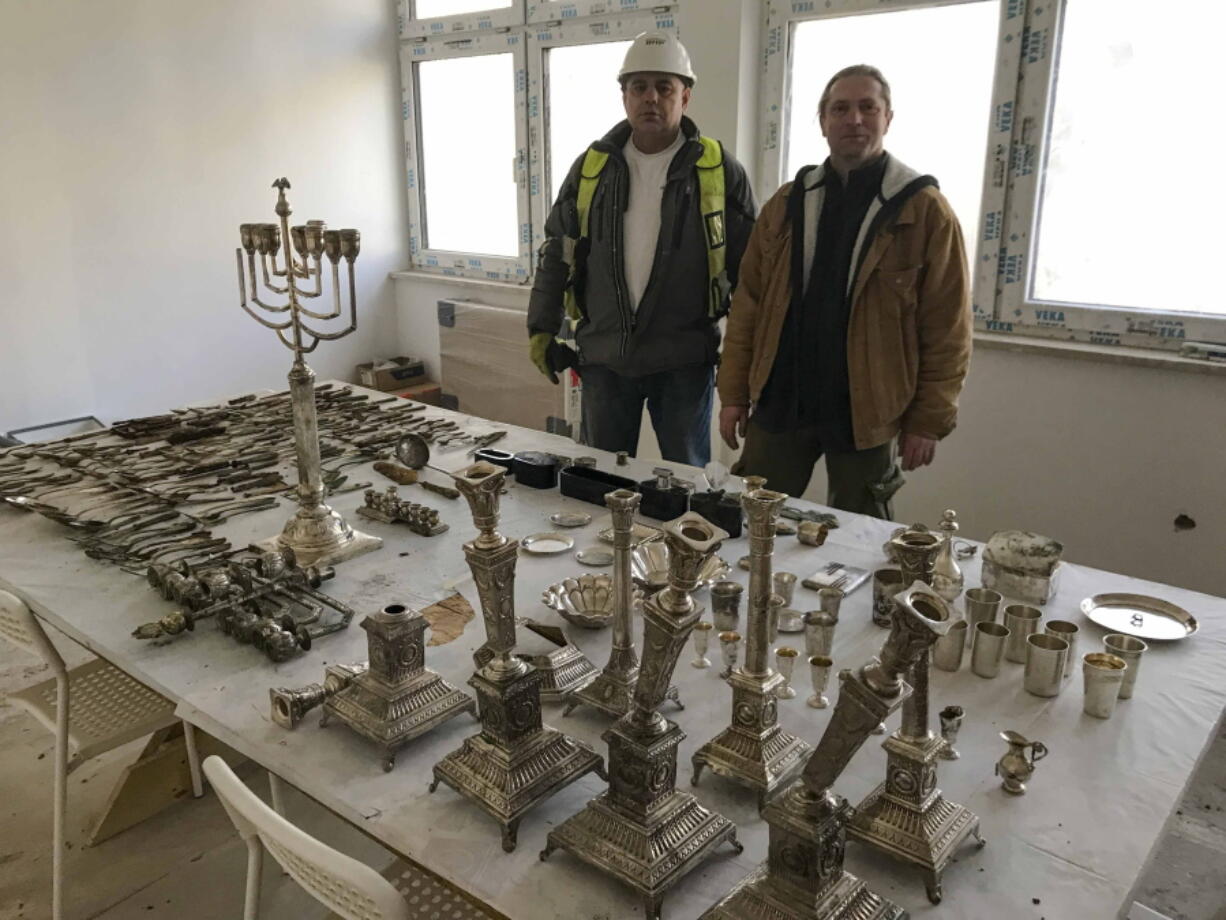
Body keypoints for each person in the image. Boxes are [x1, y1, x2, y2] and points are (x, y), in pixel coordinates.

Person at [717, 64, 971, 518]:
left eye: (866, 107)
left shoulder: (924, 211)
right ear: (823, 122)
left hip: (866, 410)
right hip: (782, 396)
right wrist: (733, 392)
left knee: (863, 537)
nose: (854, 119)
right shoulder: (787, 203)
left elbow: (947, 326)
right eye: (840, 109)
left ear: (887, 118)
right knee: (749, 520)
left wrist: (928, 422)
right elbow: (748, 303)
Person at [527, 32, 755, 467]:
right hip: (604, 361)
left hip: (684, 362)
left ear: (685, 96)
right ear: (624, 96)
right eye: (639, 87)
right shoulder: (592, 167)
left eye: (664, 87)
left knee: (687, 480)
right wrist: (541, 326)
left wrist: (742, 367)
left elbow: (752, 275)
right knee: (600, 480)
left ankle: (683, 539)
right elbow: (557, 251)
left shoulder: (718, 170)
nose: (651, 97)